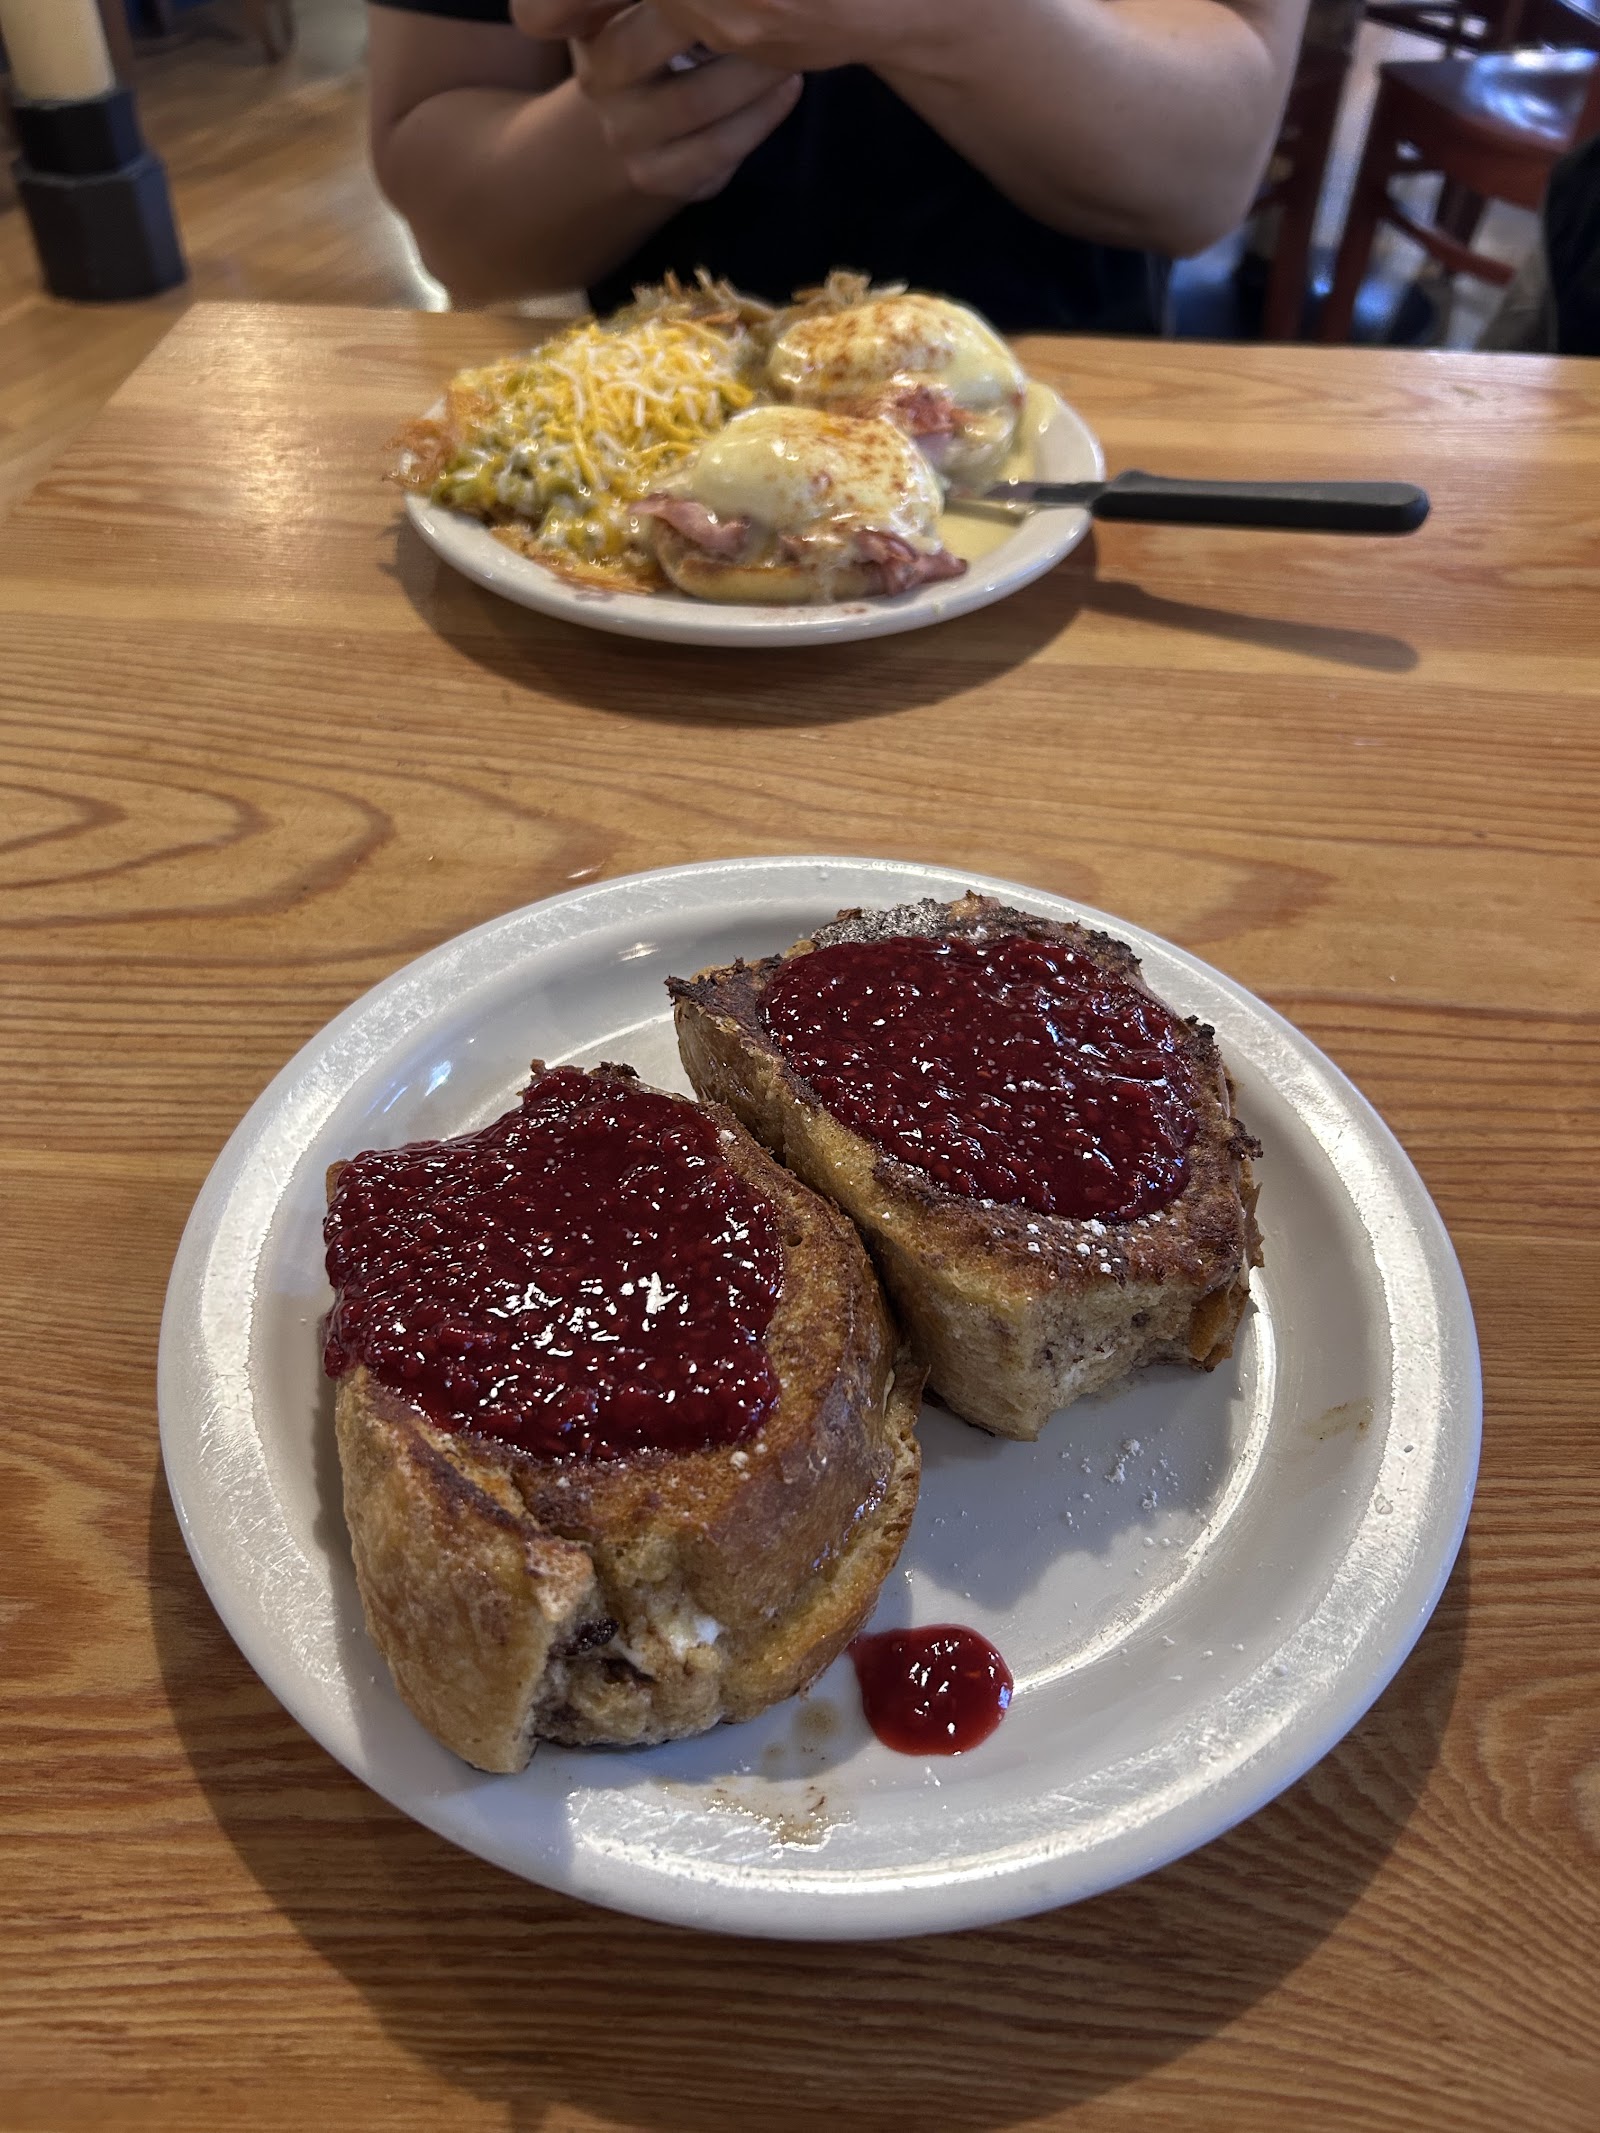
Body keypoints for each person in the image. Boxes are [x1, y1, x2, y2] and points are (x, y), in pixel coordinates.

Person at [367, 0, 1309, 332]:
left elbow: (1206, 174)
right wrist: (622, 129)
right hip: (650, 463)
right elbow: (460, 232)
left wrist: (951, 17)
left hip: (1062, 464)